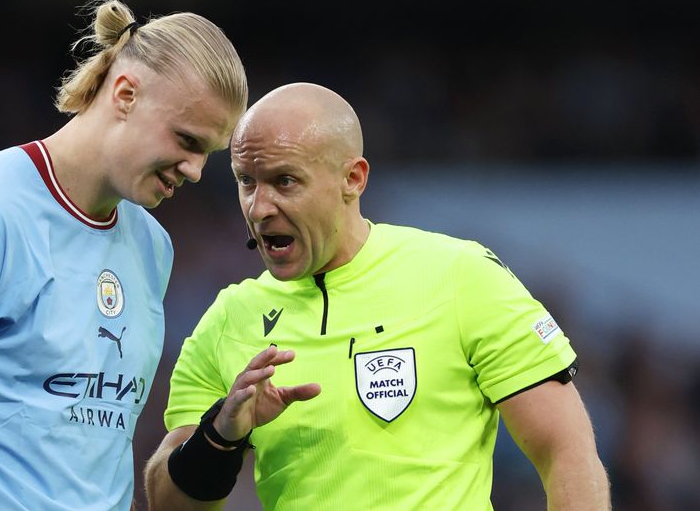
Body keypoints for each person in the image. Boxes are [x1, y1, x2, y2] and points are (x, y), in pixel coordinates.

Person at [145, 83, 610, 510]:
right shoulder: (229, 317)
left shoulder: (459, 275)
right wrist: (220, 437)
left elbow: (566, 451)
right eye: (247, 181)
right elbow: (168, 503)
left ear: (353, 179)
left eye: (285, 181)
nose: (259, 208)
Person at [0, 0, 247, 511]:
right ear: (126, 94)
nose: (196, 170)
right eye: (186, 140)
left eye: (209, 153)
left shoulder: (153, 247)